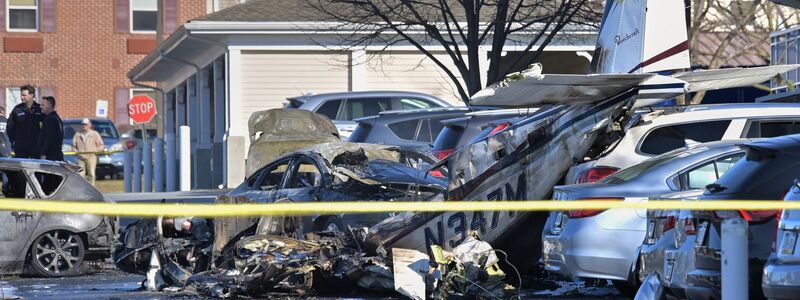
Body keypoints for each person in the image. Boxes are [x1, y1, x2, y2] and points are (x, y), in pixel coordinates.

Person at [7, 85, 43, 159]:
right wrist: (13, 141)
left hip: (36, 146)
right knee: (21, 168)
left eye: (24, 95)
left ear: (31, 95)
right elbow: (10, 126)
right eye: (21, 95)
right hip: (21, 147)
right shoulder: (17, 109)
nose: (21, 97)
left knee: (36, 167)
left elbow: (46, 126)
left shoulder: (39, 109)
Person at [73, 118, 104, 185]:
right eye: (83, 124)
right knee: (80, 175)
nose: (84, 126)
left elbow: (101, 145)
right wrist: (77, 153)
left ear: (90, 125)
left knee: (91, 174)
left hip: (91, 157)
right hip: (81, 158)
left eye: (86, 124)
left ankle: (92, 189)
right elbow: (73, 146)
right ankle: (82, 189)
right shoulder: (78, 134)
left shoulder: (95, 134)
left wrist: (94, 151)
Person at [39, 96, 64, 161]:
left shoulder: (50, 119)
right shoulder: (57, 118)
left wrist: (43, 154)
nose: (41, 106)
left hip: (50, 156)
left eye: (43, 105)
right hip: (57, 154)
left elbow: (49, 138)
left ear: (49, 105)